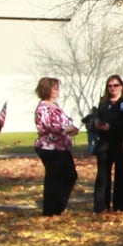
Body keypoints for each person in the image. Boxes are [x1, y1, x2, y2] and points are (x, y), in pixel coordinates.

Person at [33, 78, 80, 215]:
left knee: (70, 175)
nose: (57, 91)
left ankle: (58, 206)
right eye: (54, 88)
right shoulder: (43, 107)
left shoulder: (55, 105)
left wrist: (72, 128)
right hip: (49, 147)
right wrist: (67, 130)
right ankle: (50, 209)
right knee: (54, 177)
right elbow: (50, 126)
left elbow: (64, 121)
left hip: (62, 146)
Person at [90, 76, 123, 213]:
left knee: (122, 176)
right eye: (110, 86)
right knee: (103, 176)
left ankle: (120, 206)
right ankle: (101, 206)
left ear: (121, 86)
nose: (113, 88)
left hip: (120, 143)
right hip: (104, 144)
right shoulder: (103, 103)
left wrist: (112, 127)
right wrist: (97, 124)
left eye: (116, 85)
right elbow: (96, 119)